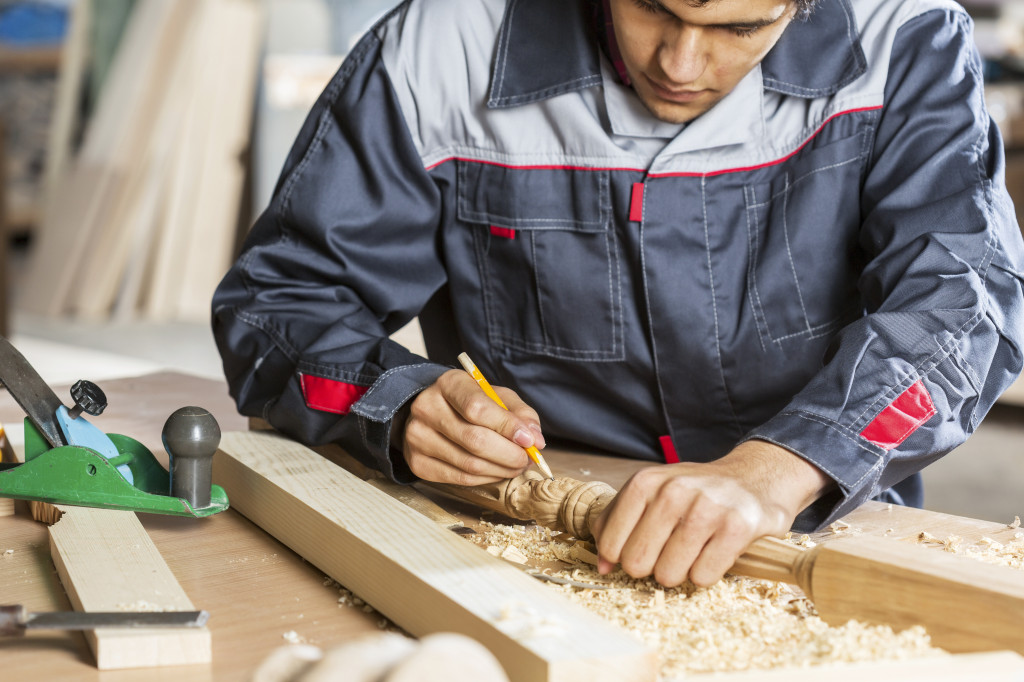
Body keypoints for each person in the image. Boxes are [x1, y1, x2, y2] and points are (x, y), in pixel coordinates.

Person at [213, 0, 1024, 588]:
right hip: (532, 552)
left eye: (740, 27)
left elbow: (964, 308)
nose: (678, 63)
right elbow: (278, 303)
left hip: (820, 529)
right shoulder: (440, 46)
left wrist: (776, 471)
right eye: (650, 7)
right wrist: (395, 403)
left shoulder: (907, 38)